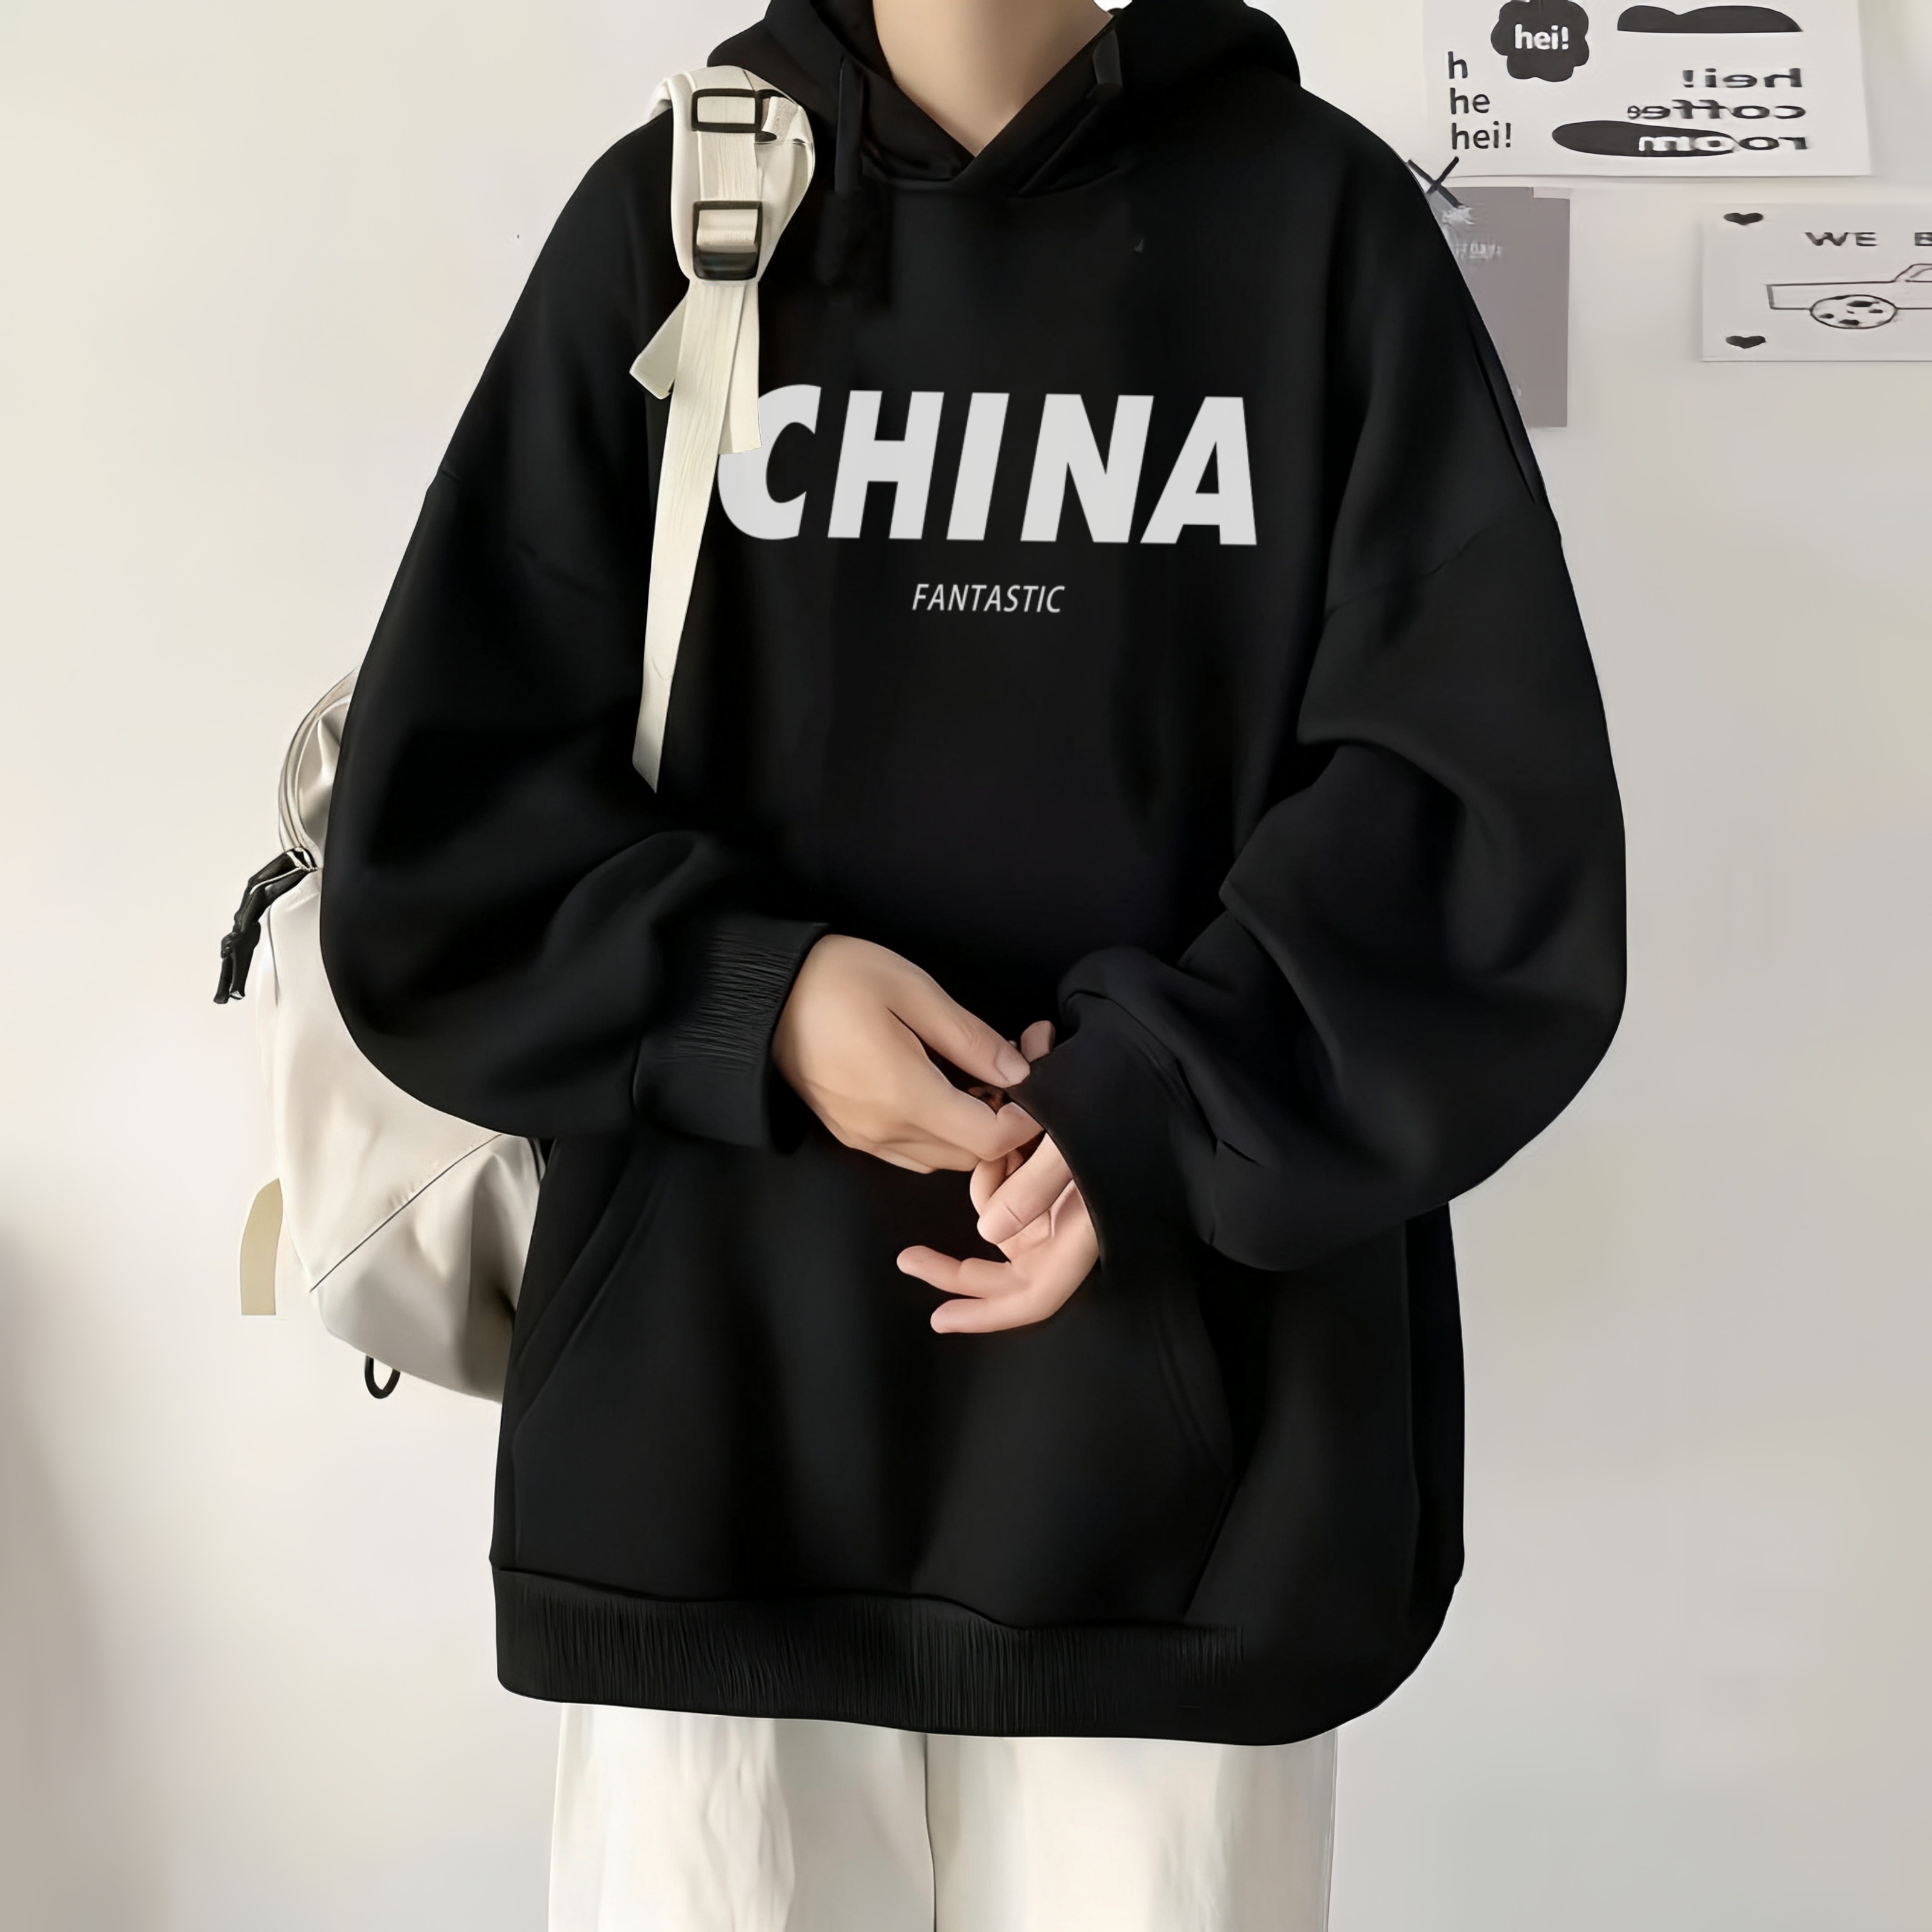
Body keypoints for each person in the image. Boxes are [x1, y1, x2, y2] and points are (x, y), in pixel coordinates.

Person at [319, 0, 1627, 1924]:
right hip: (717, 1459)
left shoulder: (1319, 227)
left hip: (1181, 1507)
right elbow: (438, 840)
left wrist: (1158, 1101)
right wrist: (756, 1005)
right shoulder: (679, 217)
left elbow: (1482, 831)